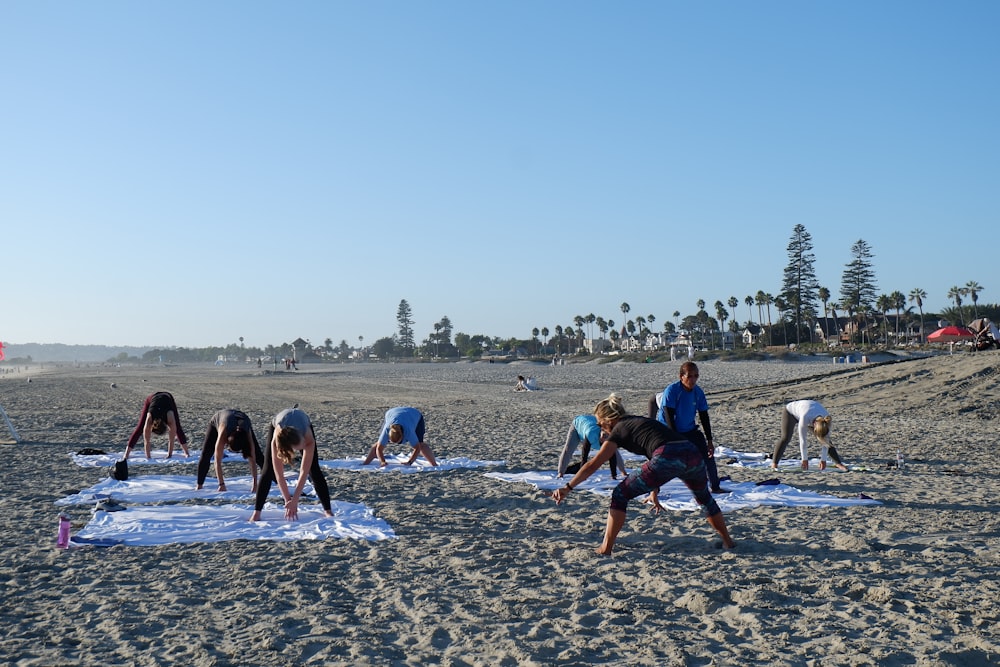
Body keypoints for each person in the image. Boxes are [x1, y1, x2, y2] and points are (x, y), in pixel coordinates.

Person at [552, 393, 736, 555]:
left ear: (608, 420)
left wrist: (568, 487)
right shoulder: (640, 422)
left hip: (668, 456)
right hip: (691, 453)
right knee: (704, 499)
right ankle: (728, 541)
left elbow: (593, 464)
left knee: (619, 494)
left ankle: (605, 548)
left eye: (601, 424)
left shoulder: (618, 430)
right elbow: (655, 458)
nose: (602, 430)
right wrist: (654, 492)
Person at [249, 407, 334, 522]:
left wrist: (295, 501)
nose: (304, 445)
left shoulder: (308, 438)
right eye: (301, 446)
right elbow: (279, 475)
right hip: (278, 422)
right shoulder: (277, 441)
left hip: (302, 420)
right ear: (290, 448)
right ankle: (256, 512)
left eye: (303, 443)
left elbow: (304, 472)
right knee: (267, 470)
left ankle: (328, 510)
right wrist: (287, 500)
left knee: (314, 469)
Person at [657, 362, 727, 494]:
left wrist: (710, 441)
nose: (693, 380)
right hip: (667, 430)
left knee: (708, 455)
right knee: (664, 460)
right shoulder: (672, 391)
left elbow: (704, 416)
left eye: (696, 376)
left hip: (689, 429)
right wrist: (675, 441)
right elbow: (669, 417)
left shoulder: (698, 392)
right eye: (690, 376)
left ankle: (715, 487)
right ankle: (653, 489)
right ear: (681, 376)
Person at [196, 409, 265, 492]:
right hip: (219, 419)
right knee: (206, 454)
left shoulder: (246, 431)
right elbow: (217, 461)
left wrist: (255, 485)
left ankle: (276, 480)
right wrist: (221, 484)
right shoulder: (223, 432)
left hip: (240, 419)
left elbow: (252, 459)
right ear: (226, 442)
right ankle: (199, 485)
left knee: (258, 456)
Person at [771, 400, 848, 471]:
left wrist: (823, 460)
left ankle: (838, 463)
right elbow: (803, 440)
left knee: (825, 440)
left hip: (810, 412)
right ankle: (774, 464)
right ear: (813, 426)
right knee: (785, 438)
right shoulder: (805, 417)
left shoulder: (827, 420)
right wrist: (804, 459)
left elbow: (826, 441)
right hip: (790, 412)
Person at [557, 414, 628, 479]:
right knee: (568, 448)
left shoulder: (611, 438)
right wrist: (582, 475)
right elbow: (584, 455)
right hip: (578, 424)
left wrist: (614, 476)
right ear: (601, 432)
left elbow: (613, 457)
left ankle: (623, 471)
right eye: (604, 436)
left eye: (607, 436)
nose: (605, 438)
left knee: (613, 450)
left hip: (591, 421)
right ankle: (560, 473)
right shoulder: (591, 434)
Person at [363, 406, 439, 467]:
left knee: (421, 444)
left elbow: (417, 448)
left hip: (414, 414)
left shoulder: (409, 431)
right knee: (378, 443)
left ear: (403, 436)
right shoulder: (387, 429)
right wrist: (382, 461)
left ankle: (434, 464)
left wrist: (410, 462)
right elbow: (379, 448)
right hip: (392, 413)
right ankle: (365, 463)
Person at [124, 391, 190, 460]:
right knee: (140, 427)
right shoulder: (149, 418)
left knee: (177, 427)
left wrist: (170, 454)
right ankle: (126, 453)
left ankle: (186, 452)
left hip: (167, 398)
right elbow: (147, 441)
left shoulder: (170, 417)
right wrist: (148, 457)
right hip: (152, 398)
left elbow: (172, 438)